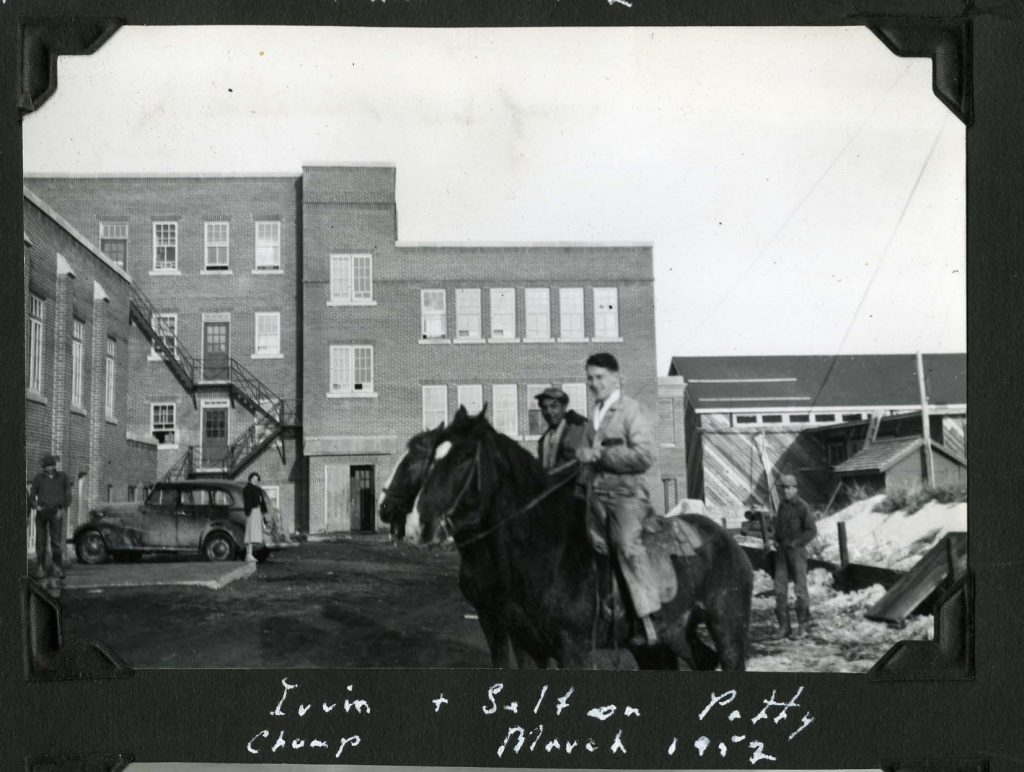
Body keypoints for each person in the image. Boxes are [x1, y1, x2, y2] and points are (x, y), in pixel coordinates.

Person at [575, 352, 661, 646]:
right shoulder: (592, 420)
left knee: (626, 545)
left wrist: (601, 454)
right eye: (589, 378)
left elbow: (645, 456)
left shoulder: (632, 411)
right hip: (594, 498)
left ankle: (647, 618)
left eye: (599, 377)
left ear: (616, 378)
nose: (593, 383)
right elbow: (587, 466)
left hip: (625, 496)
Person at [772, 473, 818, 639]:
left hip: (797, 552)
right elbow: (778, 528)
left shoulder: (802, 506)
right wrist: (776, 540)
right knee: (779, 590)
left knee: (800, 590)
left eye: (788, 488)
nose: (785, 491)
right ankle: (784, 627)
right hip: (782, 554)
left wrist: (797, 542)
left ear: (795, 488)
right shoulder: (782, 506)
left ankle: (803, 627)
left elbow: (811, 530)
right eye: (782, 488)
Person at [29, 454, 73, 580]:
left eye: (52, 465)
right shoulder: (38, 478)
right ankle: (41, 568)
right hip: (42, 514)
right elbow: (31, 497)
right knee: (40, 542)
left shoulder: (63, 477)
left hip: (56, 513)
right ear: (44, 467)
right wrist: (36, 506)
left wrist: (62, 509)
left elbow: (68, 496)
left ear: (55, 465)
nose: (50, 468)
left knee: (56, 542)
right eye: (47, 466)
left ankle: (57, 568)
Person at [535, 386, 590, 478]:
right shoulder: (546, 437)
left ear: (564, 407)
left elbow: (572, 461)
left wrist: (545, 478)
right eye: (544, 408)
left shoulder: (576, 427)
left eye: (553, 406)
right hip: (553, 488)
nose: (549, 411)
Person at [242, 472, 268, 563]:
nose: (255, 480)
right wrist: (256, 504)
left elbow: (261, 501)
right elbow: (249, 502)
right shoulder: (247, 489)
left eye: (257, 479)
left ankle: (250, 554)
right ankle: (248, 555)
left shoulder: (257, 489)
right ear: (250, 479)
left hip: (257, 512)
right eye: (253, 478)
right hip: (252, 512)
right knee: (250, 533)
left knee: (254, 533)